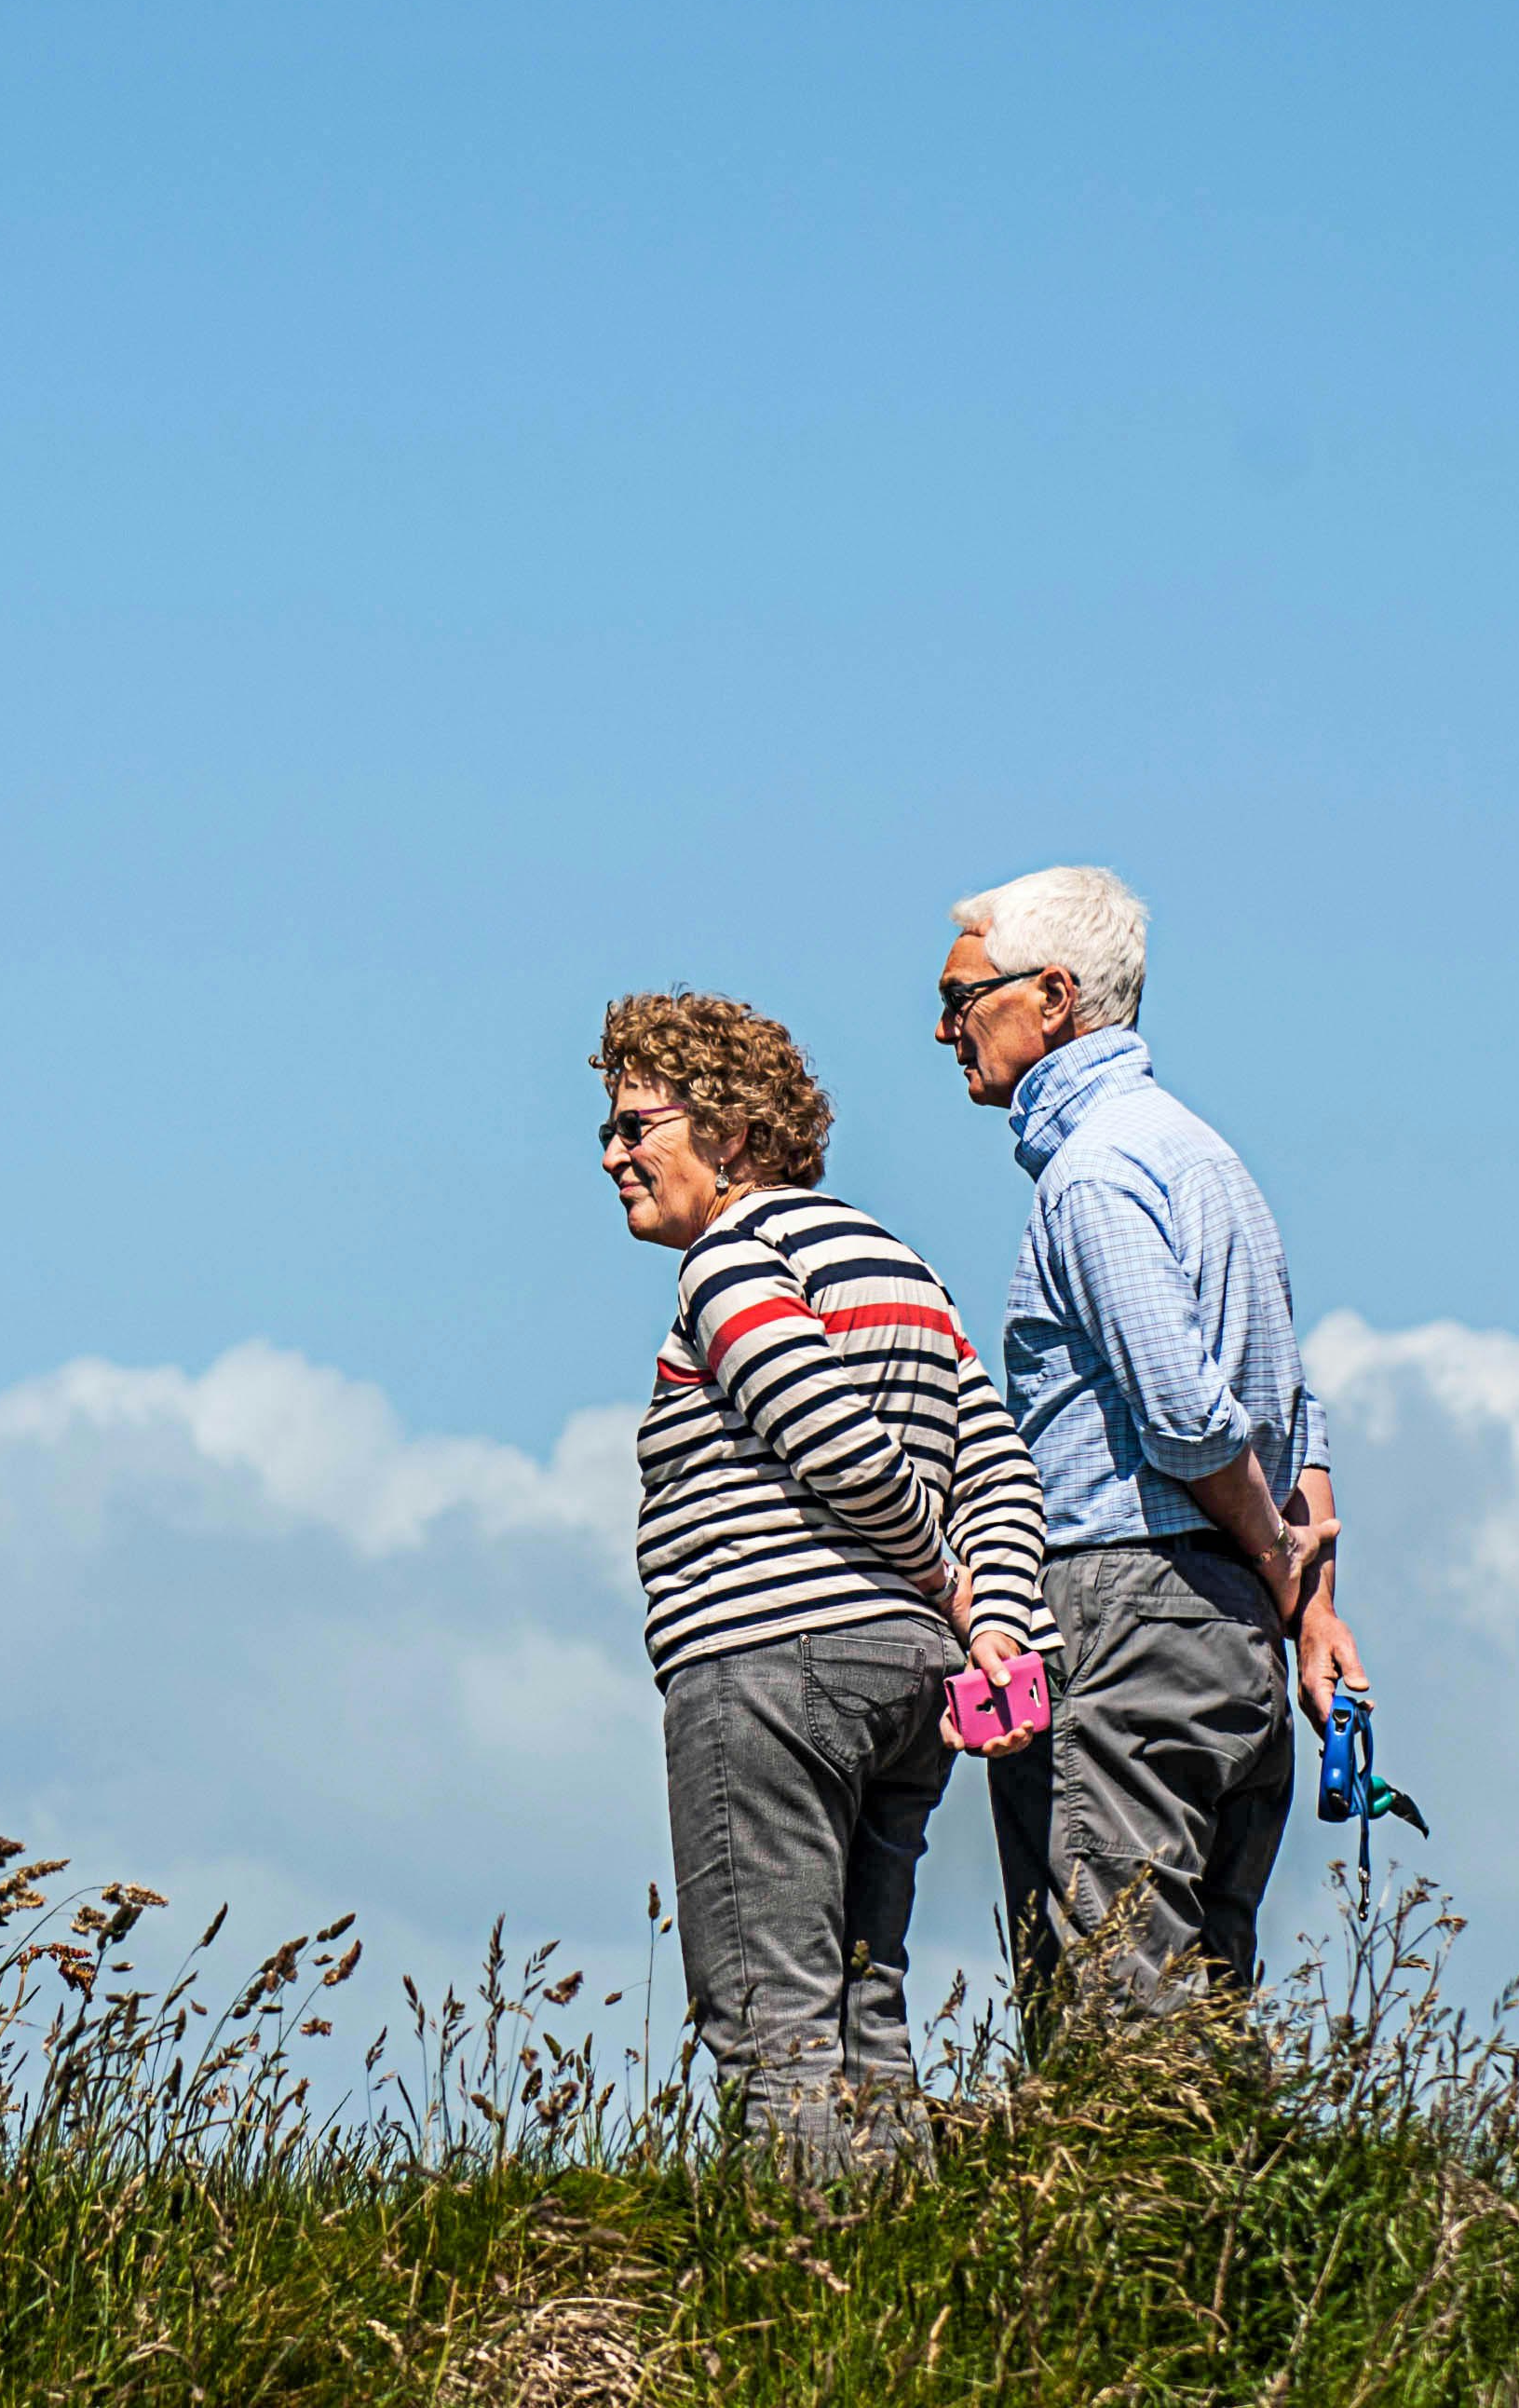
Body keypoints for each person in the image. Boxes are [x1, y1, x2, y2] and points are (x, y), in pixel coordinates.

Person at [595, 988, 1047, 2175]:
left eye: (636, 1125)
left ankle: (800, 2308)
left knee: (771, 2024)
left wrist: (952, 1586)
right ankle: (906, 2283)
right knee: (866, 2005)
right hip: (906, 1688)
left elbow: (828, 1437)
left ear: (731, 1134)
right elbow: (996, 1460)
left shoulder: (730, 1263)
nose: (612, 1156)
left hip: (763, 1669)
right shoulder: (901, 1266)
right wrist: (994, 1624)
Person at [932, 865, 1369, 2028]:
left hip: (1128, 1596)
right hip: (1230, 1624)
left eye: (962, 998)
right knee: (1202, 1997)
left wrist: (1283, 1565)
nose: (942, 1031)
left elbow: (1185, 1415)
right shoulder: (1206, 1159)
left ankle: (1124, 2211)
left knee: (1110, 2001)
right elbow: (1289, 1403)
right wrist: (1307, 1609)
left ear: (1055, 996)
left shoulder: (1091, 1177)